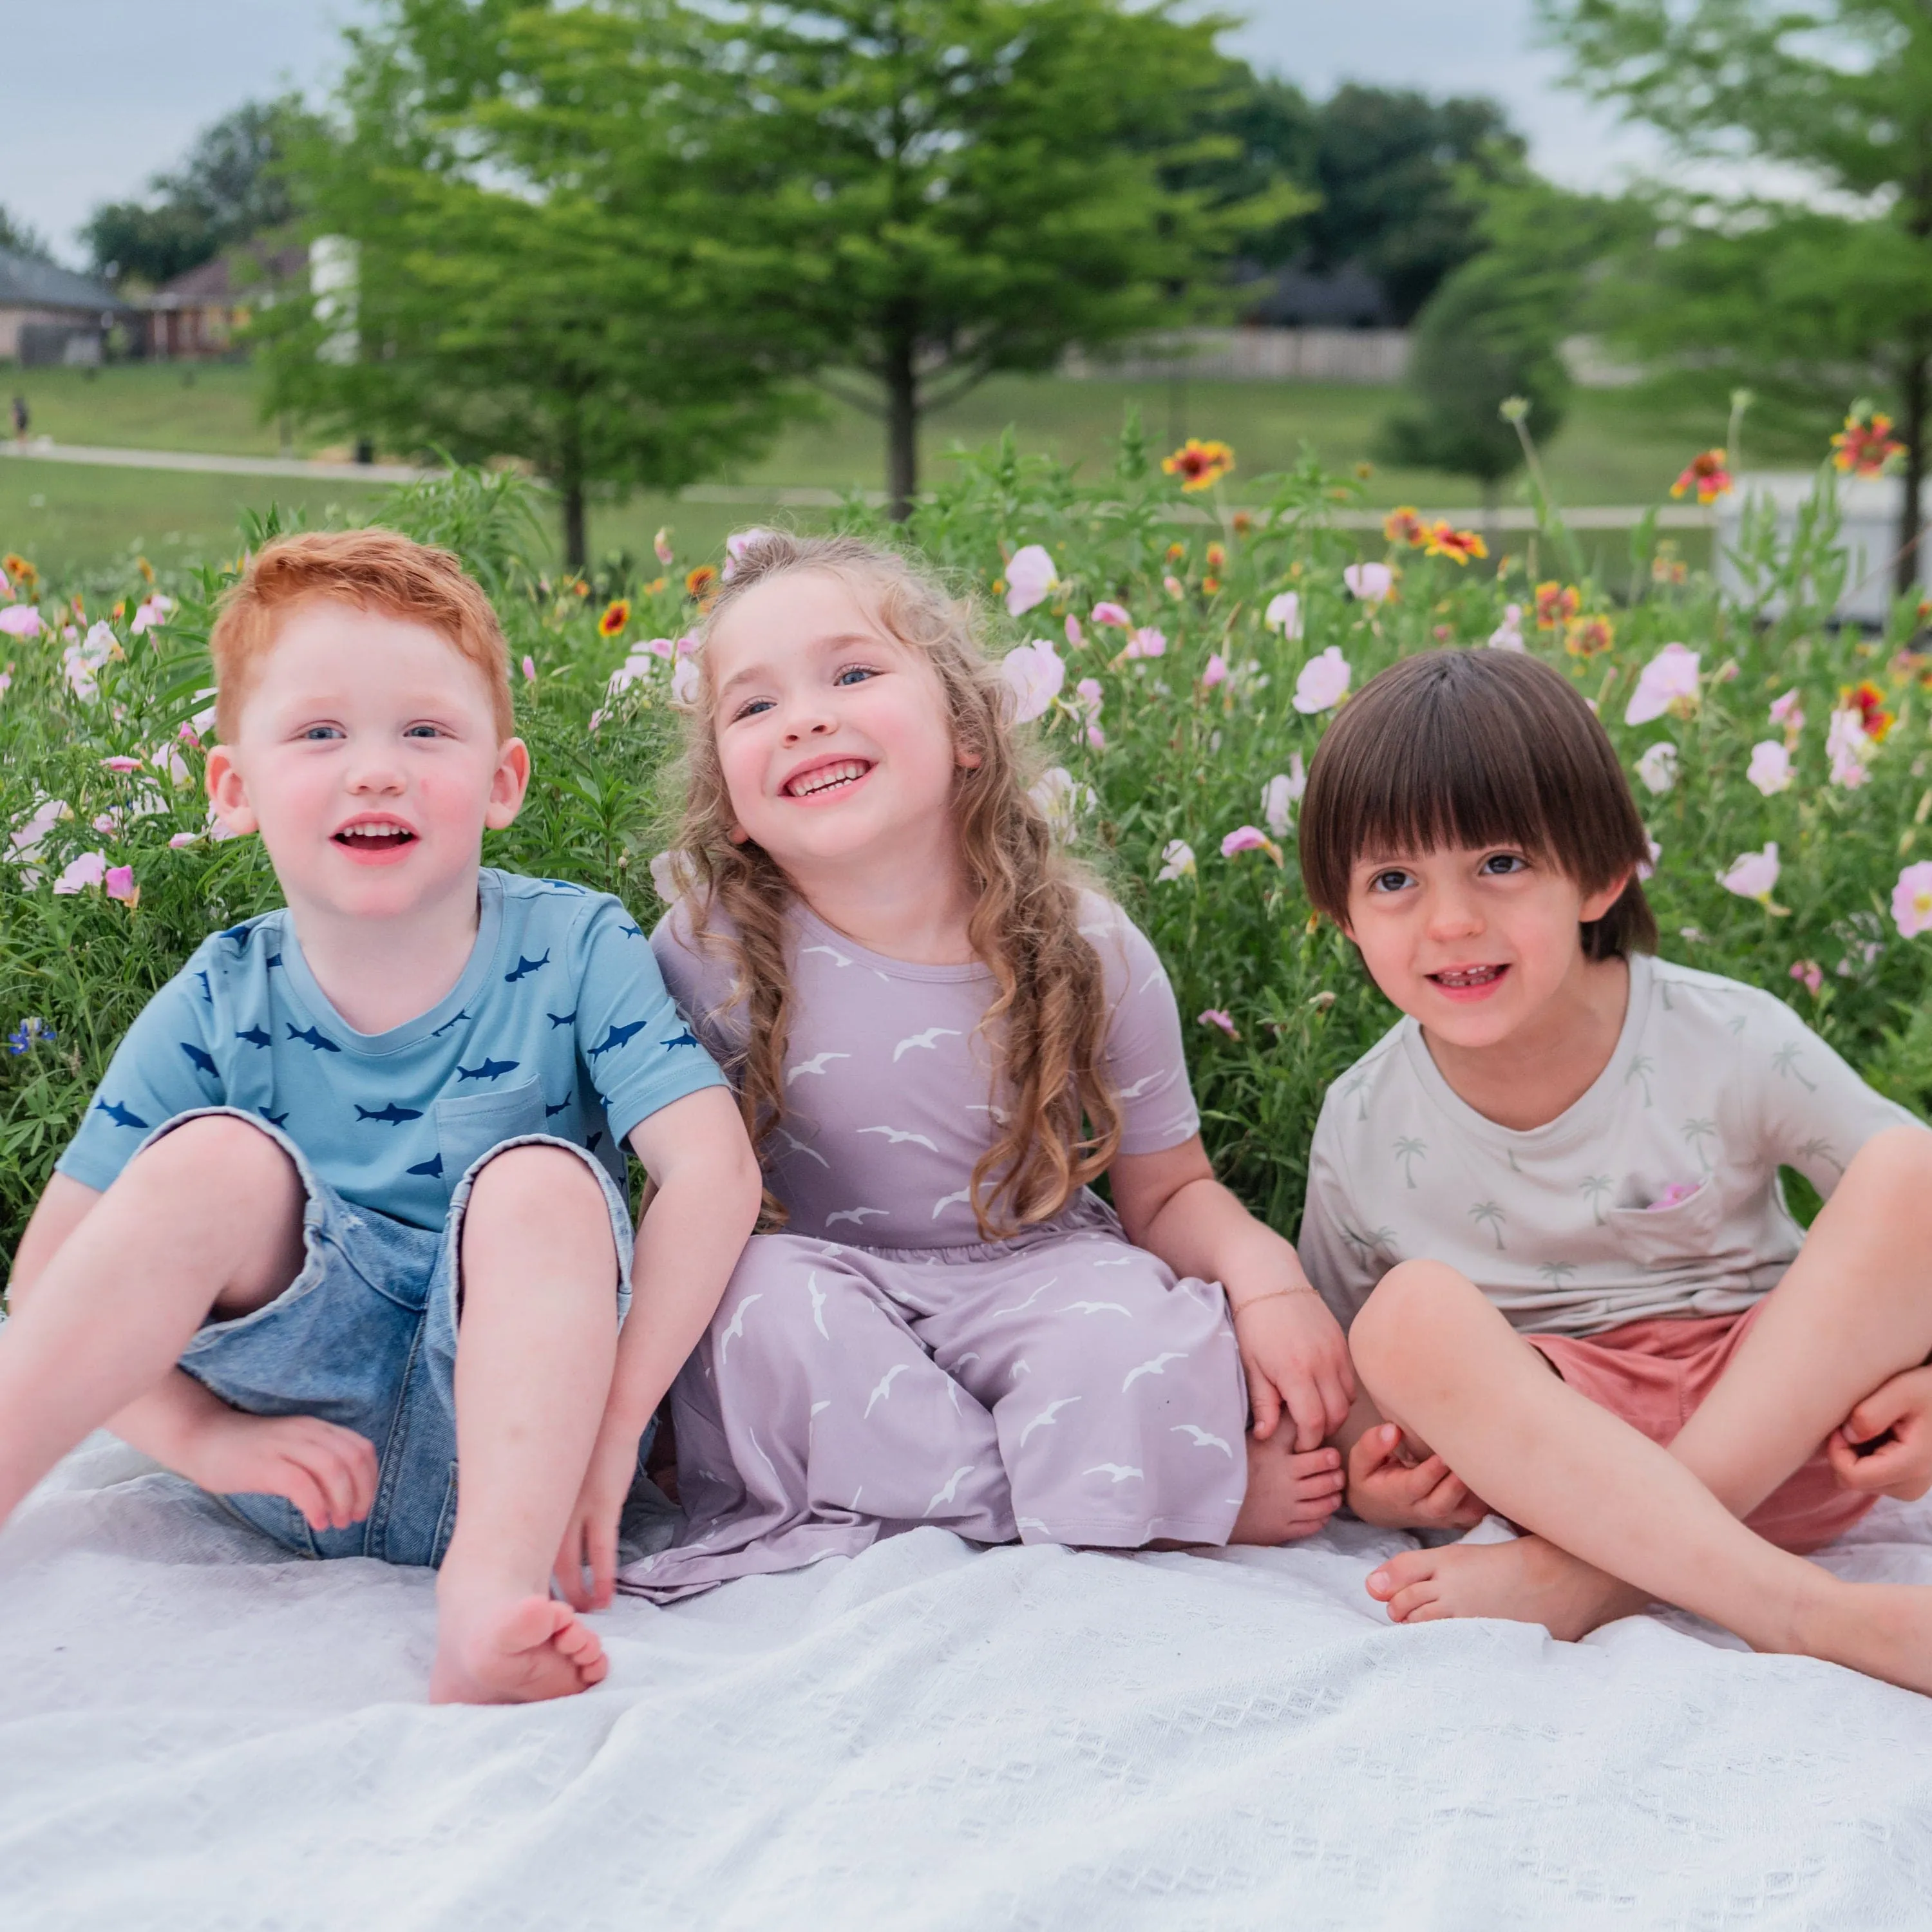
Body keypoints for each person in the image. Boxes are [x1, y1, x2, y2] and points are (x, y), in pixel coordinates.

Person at [0, 529, 759, 1703]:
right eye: (319, 732)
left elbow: (712, 1175)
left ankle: (485, 1608)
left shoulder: (573, 947)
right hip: (290, 1449)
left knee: (543, 1183)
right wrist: (204, 1440)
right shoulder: (220, 995)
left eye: (424, 730)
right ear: (233, 790)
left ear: (502, 781)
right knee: (211, 1162)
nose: (375, 770)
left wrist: (613, 1444)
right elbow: (45, 1275)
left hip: (525, 1464)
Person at [620, 531, 1354, 1598]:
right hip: (833, 1284)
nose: (807, 717)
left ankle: (947, 1489)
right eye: (754, 706)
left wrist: (1267, 1280)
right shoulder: (706, 952)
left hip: (1039, 1273)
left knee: (1129, 1331)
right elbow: (684, 1192)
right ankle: (1100, 1496)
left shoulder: (1083, 945)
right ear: (731, 804)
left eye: (855, 673)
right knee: (757, 1301)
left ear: (967, 730)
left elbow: (1170, 1191)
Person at [1294, 646, 1932, 1694]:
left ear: (1600, 873)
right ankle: (1807, 1615)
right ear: (1343, 914)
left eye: (1501, 864)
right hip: (1559, 1458)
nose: (1451, 921)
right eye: (1395, 880)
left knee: (1909, 1168)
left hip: (1785, 1427)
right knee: (1402, 1318)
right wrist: (1377, 1480)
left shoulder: (1721, 1036)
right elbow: (1364, 1386)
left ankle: (1592, 1584)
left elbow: (1904, 1232)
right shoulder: (1366, 1118)